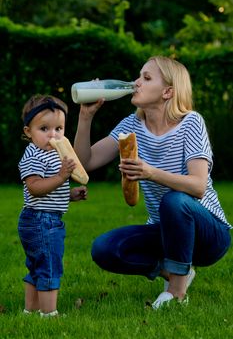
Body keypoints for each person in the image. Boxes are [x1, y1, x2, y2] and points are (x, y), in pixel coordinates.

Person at [73, 55, 232, 309]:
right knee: (104, 248)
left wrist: (150, 172)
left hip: (209, 235)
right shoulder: (132, 124)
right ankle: (175, 271)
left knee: (175, 199)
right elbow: (84, 163)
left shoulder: (190, 122)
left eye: (146, 78)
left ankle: (176, 294)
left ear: (168, 91)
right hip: (165, 231)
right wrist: (85, 117)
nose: (137, 83)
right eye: (139, 76)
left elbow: (198, 186)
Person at [18, 94, 87, 317]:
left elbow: (51, 191)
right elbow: (35, 188)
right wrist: (61, 177)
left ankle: (31, 309)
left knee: (37, 266)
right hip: (40, 220)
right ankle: (49, 313)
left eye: (59, 128)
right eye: (44, 128)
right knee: (49, 266)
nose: (53, 135)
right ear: (28, 131)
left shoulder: (54, 155)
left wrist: (70, 194)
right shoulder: (33, 156)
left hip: (45, 217)